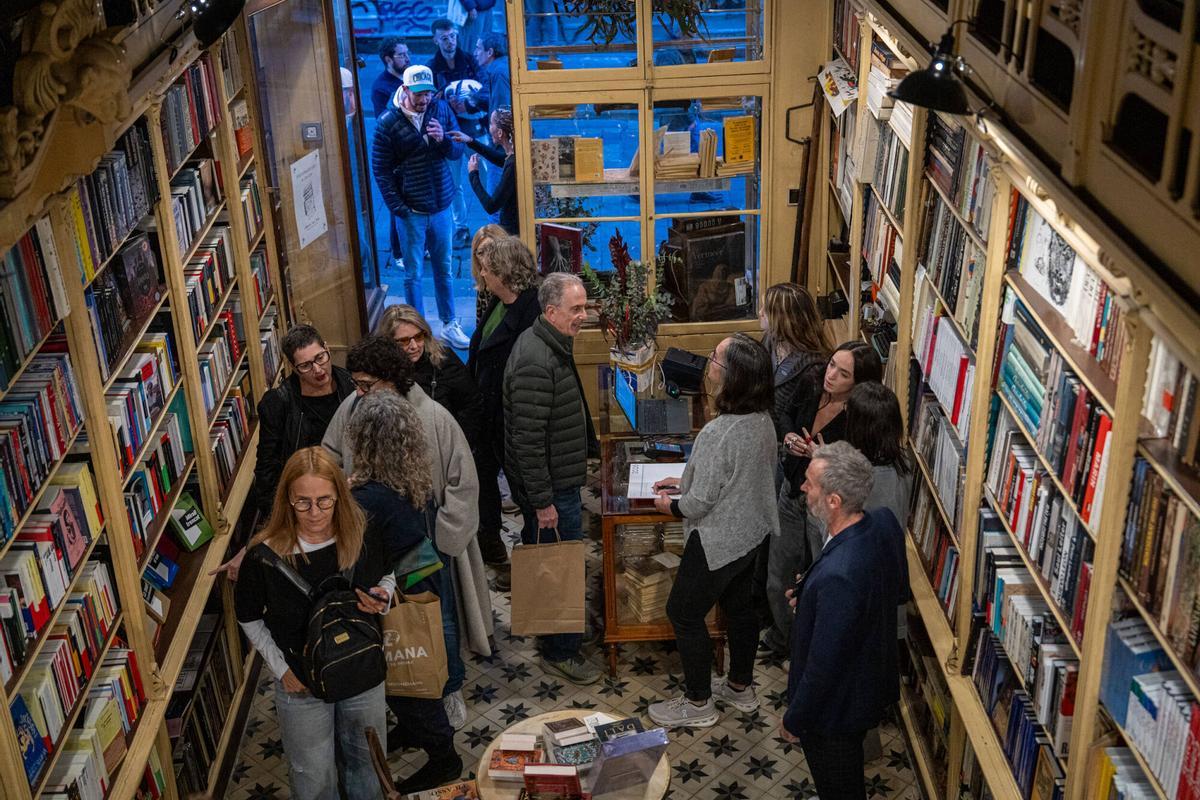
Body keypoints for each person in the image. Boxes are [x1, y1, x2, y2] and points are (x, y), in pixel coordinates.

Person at [323, 336, 490, 729]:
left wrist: (447, 537)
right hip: (373, 538)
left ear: (391, 379)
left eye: (366, 384)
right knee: (382, 615)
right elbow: (329, 454)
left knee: (434, 614)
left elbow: (464, 482)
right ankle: (400, 693)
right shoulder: (353, 407)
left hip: (424, 541)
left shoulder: (433, 417)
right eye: (356, 384)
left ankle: (448, 686)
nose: (358, 391)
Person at [234, 447, 394, 800]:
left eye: (324, 501)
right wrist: (281, 670)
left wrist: (383, 596)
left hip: (360, 670)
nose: (315, 513)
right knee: (313, 778)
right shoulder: (264, 557)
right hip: (300, 681)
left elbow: (386, 574)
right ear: (287, 501)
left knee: (367, 764)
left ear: (339, 495)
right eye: (302, 503)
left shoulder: (361, 532)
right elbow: (248, 616)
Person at [645, 333, 779, 728]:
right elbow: (732, 476)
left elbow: (697, 504)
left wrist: (669, 505)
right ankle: (740, 686)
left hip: (717, 540)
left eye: (716, 358)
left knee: (683, 613)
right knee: (739, 609)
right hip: (750, 535)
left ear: (733, 376)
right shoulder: (762, 421)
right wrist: (686, 479)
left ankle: (698, 702)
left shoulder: (718, 433)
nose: (709, 364)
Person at [345, 392, 464, 792]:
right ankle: (413, 731)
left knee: (408, 676)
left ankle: (445, 759)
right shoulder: (406, 482)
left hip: (396, 595)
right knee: (411, 670)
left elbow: (363, 560)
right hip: (420, 579)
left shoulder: (368, 497)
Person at [780, 441, 907, 799]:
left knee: (839, 786)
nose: (803, 487)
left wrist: (795, 719)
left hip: (834, 712)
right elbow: (897, 590)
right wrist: (811, 596)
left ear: (833, 500)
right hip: (863, 685)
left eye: (810, 483)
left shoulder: (840, 576)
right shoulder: (881, 522)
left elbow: (823, 665)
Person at [503, 272, 601, 685]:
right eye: (576, 309)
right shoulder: (535, 360)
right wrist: (543, 502)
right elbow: (527, 441)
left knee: (558, 564)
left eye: (585, 306)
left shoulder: (551, 343)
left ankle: (559, 631)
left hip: (558, 483)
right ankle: (561, 652)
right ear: (551, 311)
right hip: (551, 492)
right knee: (560, 567)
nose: (584, 315)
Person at [764, 340, 882, 654]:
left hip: (827, 506)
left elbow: (859, 469)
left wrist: (824, 456)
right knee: (779, 570)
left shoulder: (860, 415)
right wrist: (789, 437)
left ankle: (811, 644)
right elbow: (786, 415)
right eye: (832, 365)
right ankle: (784, 637)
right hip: (793, 488)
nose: (831, 375)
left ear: (859, 382)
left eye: (843, 374)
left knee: (819, 575)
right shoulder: (812, 381)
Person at [371, 64, 470, 351]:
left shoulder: (440, 110)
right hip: (411, 211)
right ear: (405, 90)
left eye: (427, 93)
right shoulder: (388, 122)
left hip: (440, 205)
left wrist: (443, 141)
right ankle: (419, 332)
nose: (424, 99)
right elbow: (381, 170)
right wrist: (398, 208)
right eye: (418, 94)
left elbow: (457, 149)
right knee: (413, 274)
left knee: (444, 268)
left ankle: (449, 324)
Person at [466, 236, 540, 581]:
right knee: (483, 480)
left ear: (505, 274)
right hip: (487, 416)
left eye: (487, 269)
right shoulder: (496, 301)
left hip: (511, 422)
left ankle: (533, 566)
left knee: (526, 494)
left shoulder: (531, 313)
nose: (482, 273)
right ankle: (491, 543)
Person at [253, 324, 355, 525]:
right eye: (306, 365)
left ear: (327, 348)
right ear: (293, 367)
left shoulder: (351, 385)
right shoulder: (278, 403)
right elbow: (267, 469)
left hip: (348, 488)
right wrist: (280, 518)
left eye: (320, 357)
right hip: (303, 498)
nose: (318, 369)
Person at [376, 304, 483, 446]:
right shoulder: (379, 370)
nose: (414, 346)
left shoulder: (443, 361)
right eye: (404, 341)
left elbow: (472, 406)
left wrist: (456, 445)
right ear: (388, 342)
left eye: (418, 337)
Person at [428, 18, 480, 248]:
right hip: (449, 130)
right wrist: (440, 101)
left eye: (452, 36)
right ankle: (461, 227)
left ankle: (495, 221)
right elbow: (428, 100)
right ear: (435, 40)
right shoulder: (432, 67)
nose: (450, 41)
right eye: (444, 38)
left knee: (487, 174)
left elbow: (483, 90)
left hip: (474, 127)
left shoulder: (469, 59)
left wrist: (470, 104)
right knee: (455, 182)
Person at [449, 107, 518, 235]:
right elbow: (500, 158)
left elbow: (491, 206)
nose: (489, 127)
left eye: (491, 124)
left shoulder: (512, 164)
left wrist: (473, 174)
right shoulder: (515, 157)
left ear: (500, 133)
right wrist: (470, 141)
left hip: (513, 233)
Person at [469, 223, 510, 324]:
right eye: (481, 253)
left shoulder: (517, 286)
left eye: (492, 250)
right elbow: (480, 326)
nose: (486, 258)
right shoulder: (484, 287)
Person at [472, 33, 511, 120]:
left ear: (490, 52)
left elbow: (502, 113)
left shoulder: (499, 73)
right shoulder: (499, 68)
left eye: (478, 48)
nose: (475, 53)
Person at [370, 38, 411, 118]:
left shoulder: (411, 75)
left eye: (407, 53)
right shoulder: (380, 89)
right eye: (401, 55)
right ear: (388, 60)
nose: (407, 59)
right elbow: (383, 121)